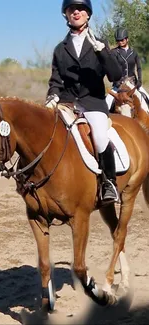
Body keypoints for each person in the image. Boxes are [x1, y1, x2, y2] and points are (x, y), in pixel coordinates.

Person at [45, 0, 122, 203]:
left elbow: (115, 75)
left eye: (80, 9)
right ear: (66, 15)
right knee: (48, 130)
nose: (76, 11)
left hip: (93, 102)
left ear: (88, 14)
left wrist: (103, 52)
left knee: (99, 134)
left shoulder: (100, 44)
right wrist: (52, 95)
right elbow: (55, 80)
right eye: (71, 9)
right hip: (67, 102)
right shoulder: (60, 50)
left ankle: (109, 182)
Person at [106, 27, 149, 111]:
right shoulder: (114, 52)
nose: (120, 42)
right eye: (118, 41)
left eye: (122, 40)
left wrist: (139, 80)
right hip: (119, 84)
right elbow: (112, 69)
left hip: (133, 83)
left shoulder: (134, 52)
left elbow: (139, 67)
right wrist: (116, 82)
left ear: (127, 39)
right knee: (107, 102)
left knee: (147, 97)